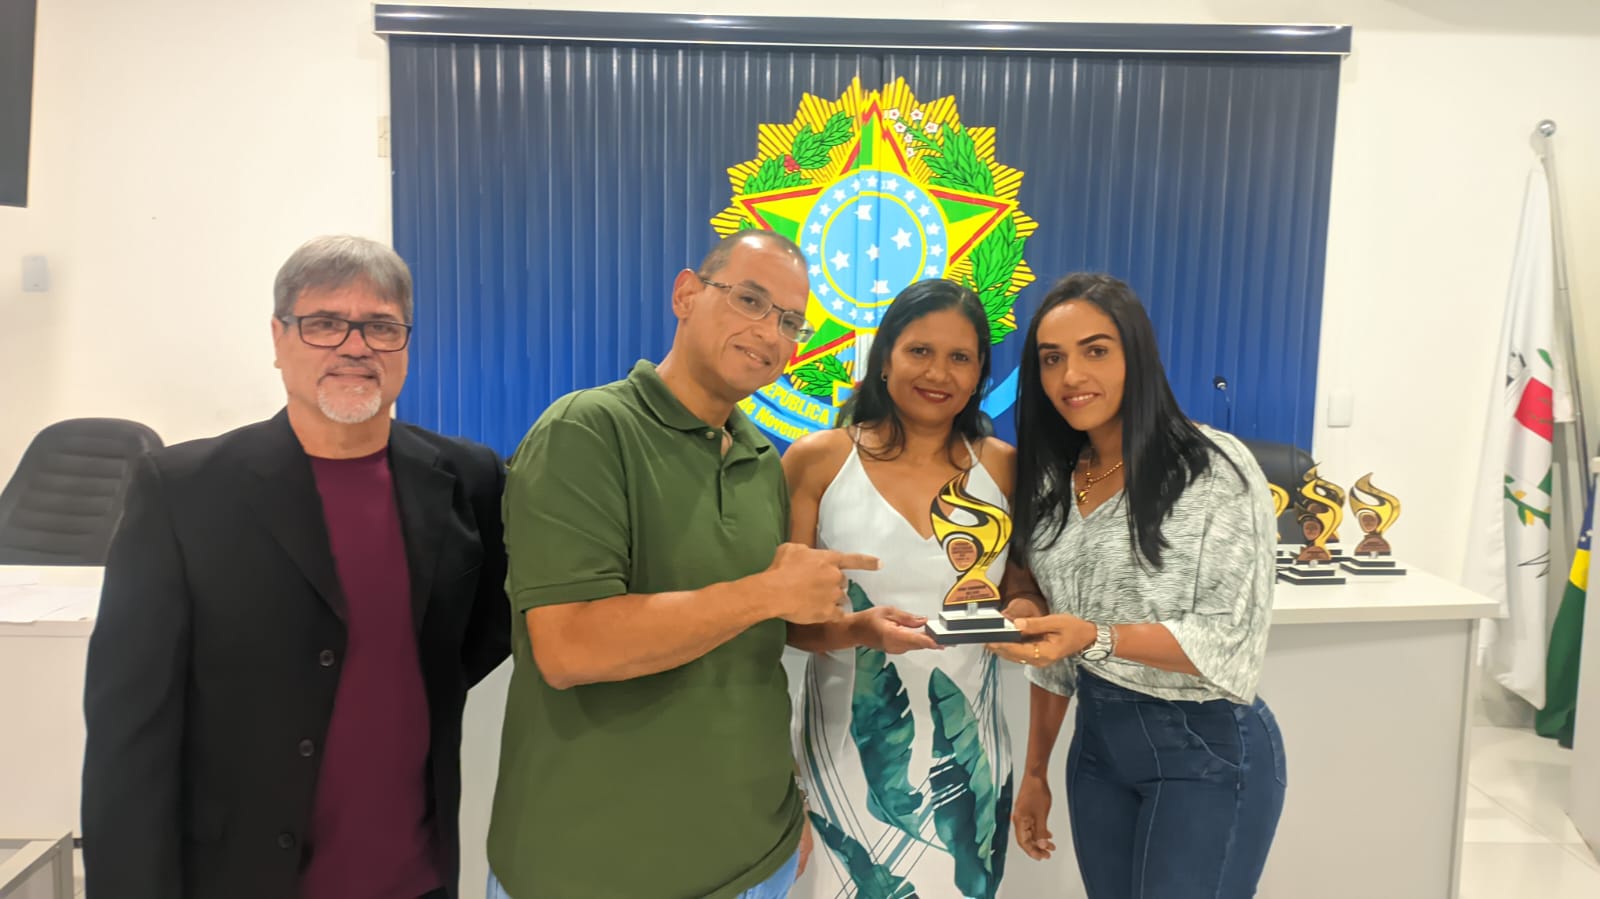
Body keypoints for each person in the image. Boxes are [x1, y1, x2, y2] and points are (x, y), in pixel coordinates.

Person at [82, 235, 512, 899]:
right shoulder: (182, 492)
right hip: (240, 879)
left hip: (414, 878)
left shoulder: (468, 479)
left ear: (405, 344)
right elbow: (128, 734)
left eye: (381, 326)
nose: (355, 345)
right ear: (278, 339)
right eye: (324, 323)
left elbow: (483, 632)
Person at [487, 230, 877, 899]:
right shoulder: (585, 430)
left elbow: (748, 654)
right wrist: (767, 593)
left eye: (790, 321)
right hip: (593, 873)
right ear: (686, 294)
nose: (770, 332)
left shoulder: (762, 461)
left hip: (758, 857)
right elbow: (569, 645)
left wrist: (784, 792)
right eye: (750, 299)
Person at [992, 273, 1286, 898]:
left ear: (1136, 356)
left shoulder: (1213, 467)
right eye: (1052, 358)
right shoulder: (1052, 483)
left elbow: (1229, 641)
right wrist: (1037, 770)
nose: (1071, 375)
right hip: (1097, 748)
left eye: (1096, 350)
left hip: (1203, 747)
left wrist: (1093, 637)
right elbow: (1056, 648)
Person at [781, 279, 1019, 898]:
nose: (938, 372)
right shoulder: (817, 461)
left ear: (979, 373)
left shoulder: (1002, 467)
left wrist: (1022, 619)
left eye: (960, 357)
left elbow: (1024, 592)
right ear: (884, 358)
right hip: (844, 753)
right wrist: (855, 630)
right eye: (920, 351)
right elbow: (787, 621)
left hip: (969, 763)